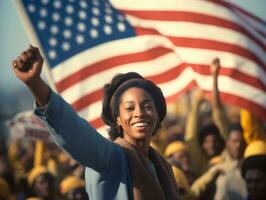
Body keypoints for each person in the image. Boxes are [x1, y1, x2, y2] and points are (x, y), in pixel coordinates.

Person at [12, 45, 179, 199]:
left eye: (147, 107)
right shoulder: (109, 157)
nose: (139, 113)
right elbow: (74, 131)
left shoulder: (163, 167)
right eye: (129, 108)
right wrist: (36, 84)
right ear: (118, 119)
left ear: (157, 115)